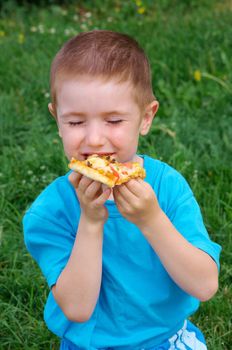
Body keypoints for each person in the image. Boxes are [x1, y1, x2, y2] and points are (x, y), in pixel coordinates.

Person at [23, 30, 221, 350]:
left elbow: (205, 285)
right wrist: (90, 221)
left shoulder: (167, 187)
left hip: (166, 339)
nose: (95, 139)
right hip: (90, 344)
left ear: (145, 118)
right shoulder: (50, 211)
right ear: (57, 121)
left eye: (113, 120)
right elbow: (77, 309)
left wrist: (151, 220)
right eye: (75, 122)